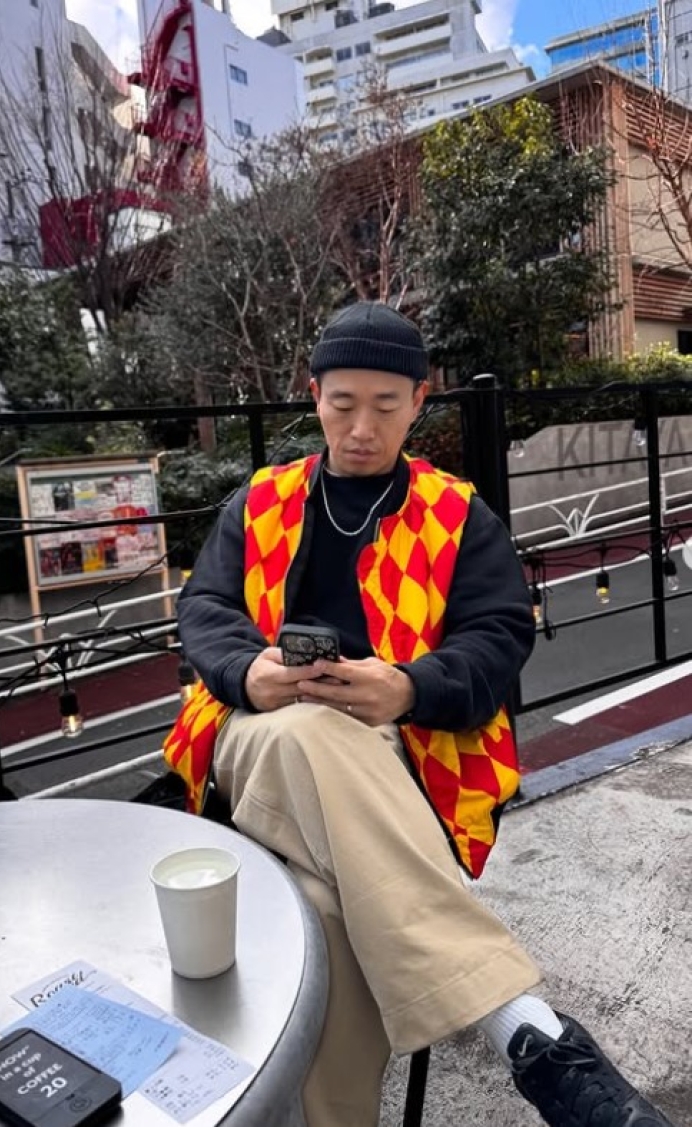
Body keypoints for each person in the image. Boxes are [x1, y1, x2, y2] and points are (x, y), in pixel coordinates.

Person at [164, 303, 674, 1127]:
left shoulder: (455, 513)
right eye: (342, 404)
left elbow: (499, 636)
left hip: (397, 762)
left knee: (327, 906)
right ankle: (523, 1025)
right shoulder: (262, 500)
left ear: (420, 401)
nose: (361, 428)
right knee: (305, 727)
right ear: (314, 395)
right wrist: (246, 672)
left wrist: (407, 688)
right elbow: (206, 608)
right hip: (252, 737)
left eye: (385, 405)